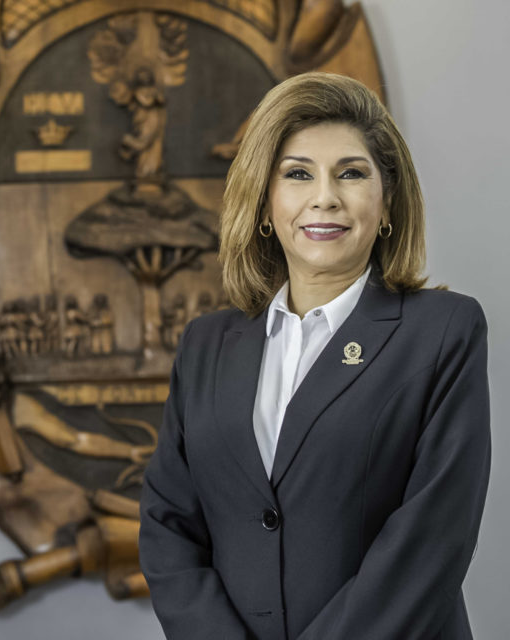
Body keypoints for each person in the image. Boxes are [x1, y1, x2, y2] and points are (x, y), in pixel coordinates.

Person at [138, 72, 491, 640]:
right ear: (265, 202)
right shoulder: (205, 345)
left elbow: (432, 539)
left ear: (387, 201)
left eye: (351, 173)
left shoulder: (444, 331)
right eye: (298, 174)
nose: (324, 197)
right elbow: (167, 526)